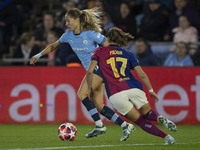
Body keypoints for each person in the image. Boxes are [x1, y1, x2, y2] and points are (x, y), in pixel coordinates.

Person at [30, 8, 134, 141]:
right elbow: (53, 46)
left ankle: (99, 125)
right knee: (99, 106)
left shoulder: (91, 34)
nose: (67, 23)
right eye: (66, 21)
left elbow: (109, 45)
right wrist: (39, 55)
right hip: (91, 71)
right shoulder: (68, 35)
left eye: (69, 20)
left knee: (81, 94)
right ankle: (125, 125)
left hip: (100, 68)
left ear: (77, 20)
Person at [86, 27, 177, 144]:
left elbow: (89, 72)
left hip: (116, 93)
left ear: (107, 39)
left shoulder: (99, 51)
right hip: (134, 88)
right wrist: (151, 90)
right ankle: (160, 118)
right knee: (148, 113)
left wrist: (89, 90)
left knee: (139, 121)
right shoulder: (128, 53)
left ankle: (167, 138)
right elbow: (142, 74)